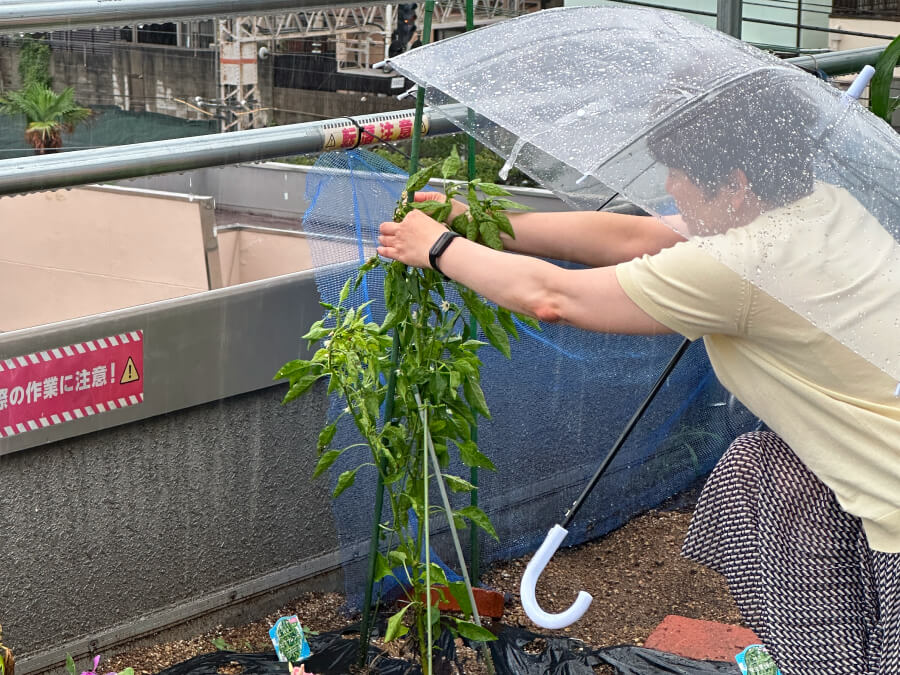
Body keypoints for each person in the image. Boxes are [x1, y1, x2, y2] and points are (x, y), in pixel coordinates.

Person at [377, 77, 900, 674]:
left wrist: (438, 246)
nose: (669, 187)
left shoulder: (742, 264)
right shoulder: (821, 205)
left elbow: (552, 296)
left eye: (677, 172)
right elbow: (637, 235)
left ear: (735, 185)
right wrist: (482, 222)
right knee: (761, 467)